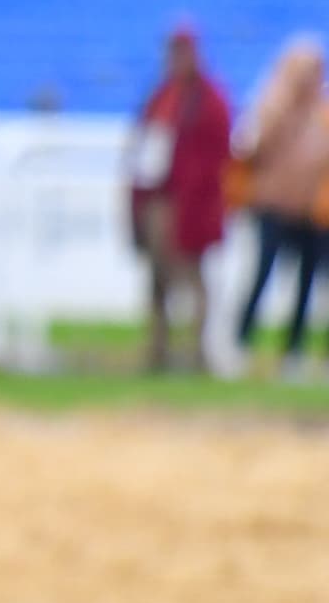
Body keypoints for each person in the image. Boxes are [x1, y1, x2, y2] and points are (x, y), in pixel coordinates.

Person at [130, 22, 234, 374]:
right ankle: (157, 351)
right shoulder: (161, 96)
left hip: (191, 206)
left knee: (194, 280)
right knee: (158, 280)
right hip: (159, 201)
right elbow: (142, 147)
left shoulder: (210, 100)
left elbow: (216, 158)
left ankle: (198, 354)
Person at [233, 35, 329, 369]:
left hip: (310, 212)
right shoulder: (272, 104)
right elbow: (252, 150)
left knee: (307, 281)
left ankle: (294, 349)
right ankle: (240, 340)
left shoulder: (322, 112)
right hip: (273, 207)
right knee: (262, 273)